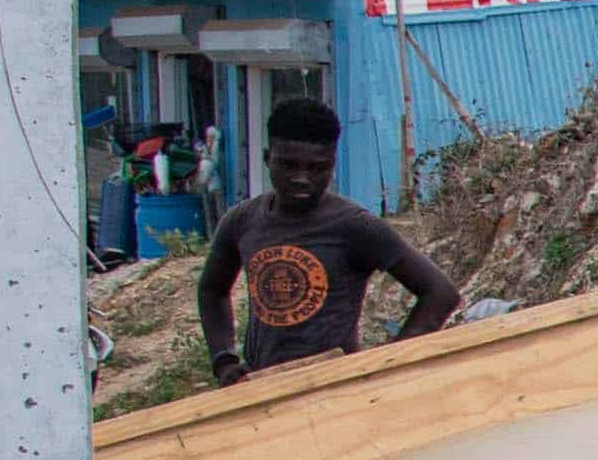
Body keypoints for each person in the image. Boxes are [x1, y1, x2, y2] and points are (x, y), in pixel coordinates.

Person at [196, 93, 461, 383]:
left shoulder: (354, 226)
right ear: (267, 159)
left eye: (317, 168)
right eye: (289, 165)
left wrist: (387, 365)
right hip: (263, 386)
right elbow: (212, 290)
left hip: (335, 388)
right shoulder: (242, 221)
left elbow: (440, 293)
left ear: (332, 164)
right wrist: (223, 360)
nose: (301, 178)